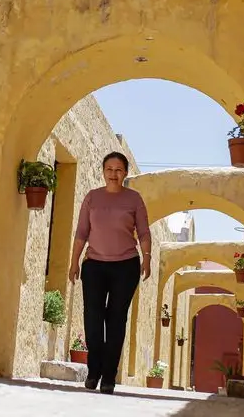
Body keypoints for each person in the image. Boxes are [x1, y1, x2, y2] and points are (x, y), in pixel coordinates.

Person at [68, 151, 151, 394]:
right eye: (109, 169)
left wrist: (147, 258)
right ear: (103, 172)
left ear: (125, 173)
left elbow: (144, 232)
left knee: (116, 321)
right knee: (93, 318)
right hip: (94, 265)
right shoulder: (92, 198)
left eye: (118, 170)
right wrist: (74, 261)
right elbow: (82, 232)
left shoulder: (134, 199)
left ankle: (108, 377)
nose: (113, 174)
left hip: (126, 266)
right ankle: (93, 371)